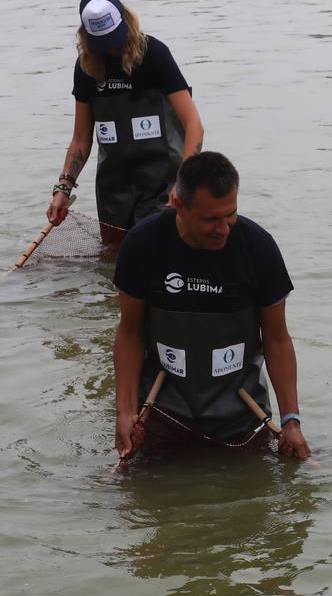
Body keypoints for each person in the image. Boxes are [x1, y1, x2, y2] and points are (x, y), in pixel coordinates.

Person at [113, 152, 311, 461]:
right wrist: (125, 413)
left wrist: (291, 422)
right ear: (177, 204)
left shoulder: (259, 248)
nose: (223, 229)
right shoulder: (142, 244)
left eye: (230, 214)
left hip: (243, 415)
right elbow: (130, 334)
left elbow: (277, 340)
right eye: (210, 219)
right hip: (162, 414)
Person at [48, 0, 205, 242]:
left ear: (125, 20)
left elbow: (194, 125)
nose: (112, 49)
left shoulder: (154, 54)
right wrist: (63, 188)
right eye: (103, 43)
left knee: (158, 258)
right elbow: (81, 140)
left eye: (115, 38)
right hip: (114, 190)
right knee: (117, 268)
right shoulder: (86, 66)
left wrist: (183, 184)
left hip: (163, 185)